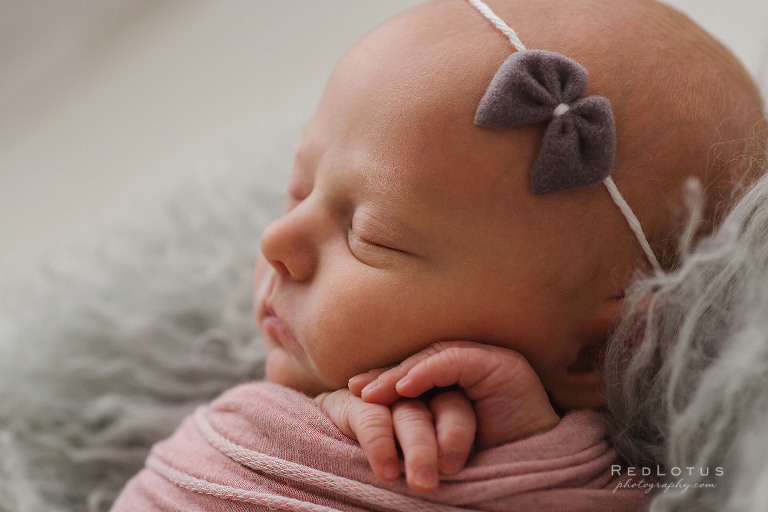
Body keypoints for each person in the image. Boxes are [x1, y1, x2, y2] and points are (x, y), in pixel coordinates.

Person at [110, 0, 766, 509]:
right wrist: (320, 427)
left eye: (370, 236)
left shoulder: (659, 475)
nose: (277, 242)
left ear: (596, 351)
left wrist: (537, 460)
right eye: (298, 188)